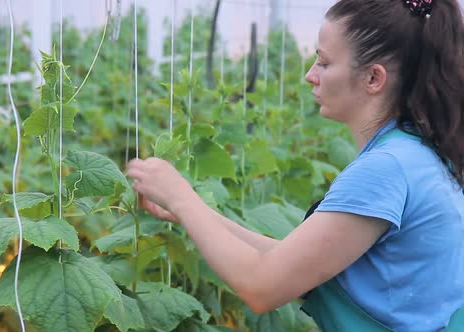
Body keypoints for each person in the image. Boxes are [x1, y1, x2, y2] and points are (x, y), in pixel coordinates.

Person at [127, 0, 464, 330]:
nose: (309, 75)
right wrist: (194, 212)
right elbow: (292, 265)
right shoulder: (416, 154)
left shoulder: (386, 170)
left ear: (374, 79)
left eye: (324, 63)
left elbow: (262, 286)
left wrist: (181, 196)